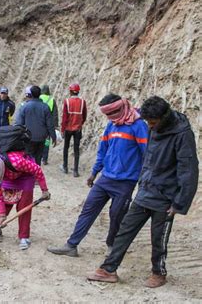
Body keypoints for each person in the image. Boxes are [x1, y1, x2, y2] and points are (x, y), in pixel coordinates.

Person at [87, 96, 199, 288]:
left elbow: (188, 170)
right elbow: (147, 158)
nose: (150, 125)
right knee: (125, 230)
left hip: (166, 197)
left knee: (158, 239)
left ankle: (158, 273)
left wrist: (179, 202)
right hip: (146, 190)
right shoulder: (153, 127)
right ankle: (109, 269)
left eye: (153, 122)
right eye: (148, 122)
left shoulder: (182, 134)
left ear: (165, 116)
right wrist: (141, 182)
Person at [47, 94, 148, 257]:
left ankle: (112, 246)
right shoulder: (112, 125)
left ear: (119, 109)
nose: (108, 117)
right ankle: (72, 245)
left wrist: (144, 179)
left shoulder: (138, 126)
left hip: (126, 182)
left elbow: (147, 154)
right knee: (88, 209)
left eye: (110, 113)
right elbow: (103, 151)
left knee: (117, 215)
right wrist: (94, 172)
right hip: (106, 178)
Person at [0, 152, 51, 250]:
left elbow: (37, 169)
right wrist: (2, 214)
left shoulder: (16, 162)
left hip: (25, 178)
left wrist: (44, 189)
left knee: (24, 207)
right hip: (6, 177)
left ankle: (24, 237)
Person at [15, 85, 56, 166]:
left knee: (29, 159)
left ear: (31, 94)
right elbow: (50, 124)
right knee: (38, 159)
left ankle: (30, 175)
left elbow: (19, 123)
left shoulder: (25, 107)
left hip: (28, 138)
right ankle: (36, 175)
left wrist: (17, 137)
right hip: (41, 138)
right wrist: (53, 136)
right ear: (40, 94)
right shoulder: (45, 107)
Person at [61, 83, 87, 177]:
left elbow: (64, 117)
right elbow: (84, 116)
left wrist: (63, 129)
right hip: (78, 129)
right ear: (78, 91)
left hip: (68, 128)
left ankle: (65, 167)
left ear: (70, 91)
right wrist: (79, 124)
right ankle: (75, 171)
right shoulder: (83, 102)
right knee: (76, 149)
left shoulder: (67, 101)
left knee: (66, 147)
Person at [40, 85, 59, 165]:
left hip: (39, 123)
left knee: (39, 140)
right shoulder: (52, 100)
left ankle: (38, 156)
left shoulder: (38, 97)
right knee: (47, 142)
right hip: (48, 124)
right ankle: (45, 159)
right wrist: (55, 125)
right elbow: (55, 114)